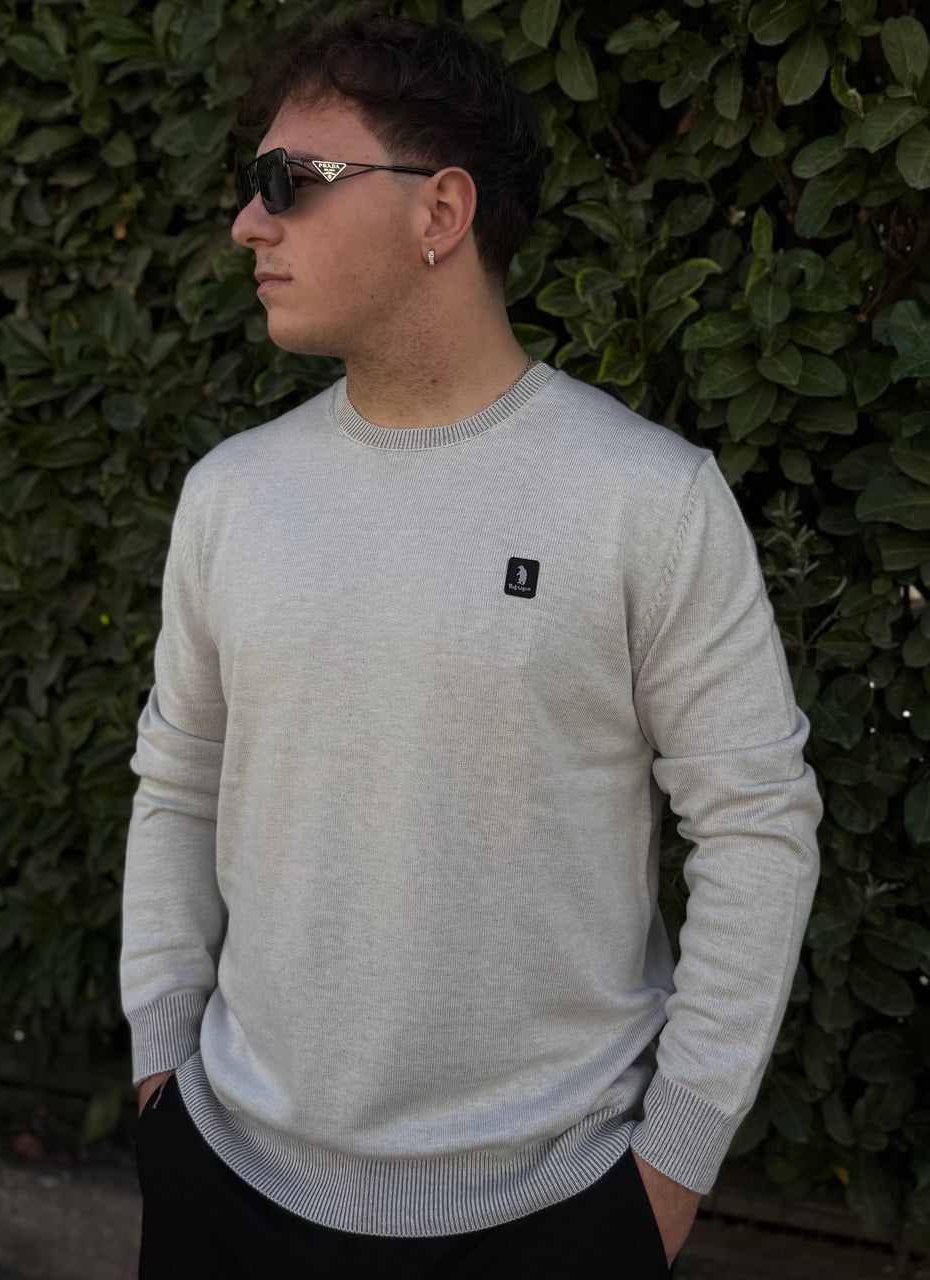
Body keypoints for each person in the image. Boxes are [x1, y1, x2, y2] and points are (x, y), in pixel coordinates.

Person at [120, 11, 822, 1279]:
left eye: (289, 180)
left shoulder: (645, 500)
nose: (247, 223)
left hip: (551, 1218)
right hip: (222, 1186)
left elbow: (756, 824)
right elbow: (178, 781)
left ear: (439, 210)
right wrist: (159, 1067)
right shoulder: (230, 495)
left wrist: (665, 1175)